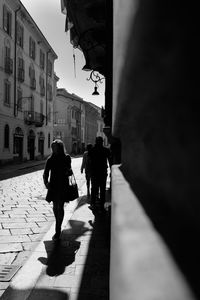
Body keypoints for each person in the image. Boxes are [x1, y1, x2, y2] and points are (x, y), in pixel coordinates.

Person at [43, 139, 72, 240]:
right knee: (55, 207)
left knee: (60, 206)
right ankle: (58, 222)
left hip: (63, 185)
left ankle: (58, 229)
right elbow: (45, 173)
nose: (54, 149)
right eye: (53, 147)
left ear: (60, 148)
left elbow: (70, 171)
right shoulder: (50, 159)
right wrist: (46, 183)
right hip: (54, 185)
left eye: (55, 147)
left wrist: (68, 171)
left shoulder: (66, 157)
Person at [89, 136, 111, 212]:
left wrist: (89, 172)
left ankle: (93, 204)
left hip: (94, 173)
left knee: (94, 189)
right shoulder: (106, 150)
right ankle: (101, 205)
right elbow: (110, 161)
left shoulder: (92, 150)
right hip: (102, 173)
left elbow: (89, 162)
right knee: (102, 190)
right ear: (102, 142)